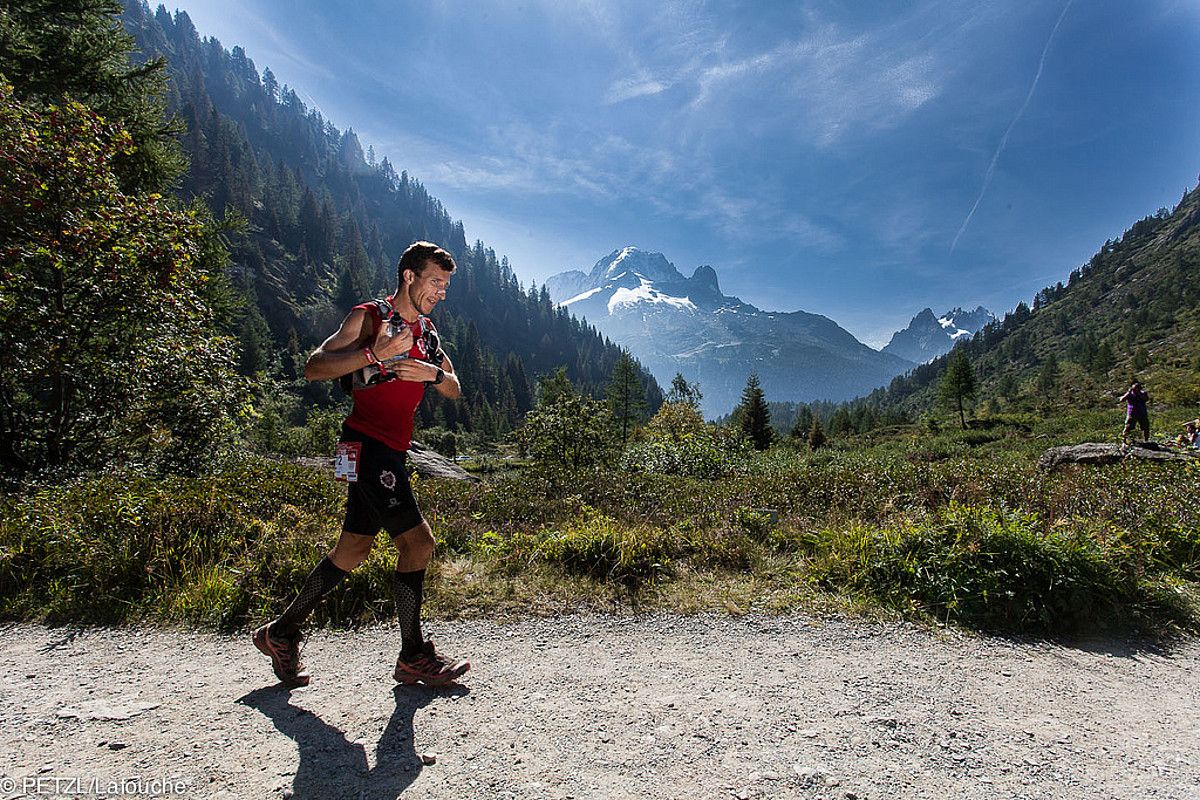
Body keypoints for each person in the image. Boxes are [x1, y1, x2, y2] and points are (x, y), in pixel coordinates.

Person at [253, 241, 469, 688]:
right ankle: (412, 655)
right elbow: (315, 366)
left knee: (352, 551)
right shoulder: (368, 318)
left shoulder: (428, 334)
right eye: (435, 281)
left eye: (446, 285)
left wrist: (433, 375)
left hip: (391, 450)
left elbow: (455, 389)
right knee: (418, 544)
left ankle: (280, 633)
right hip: (364, 446)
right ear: (408, 276)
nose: (442, 292)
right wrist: (377, 354)